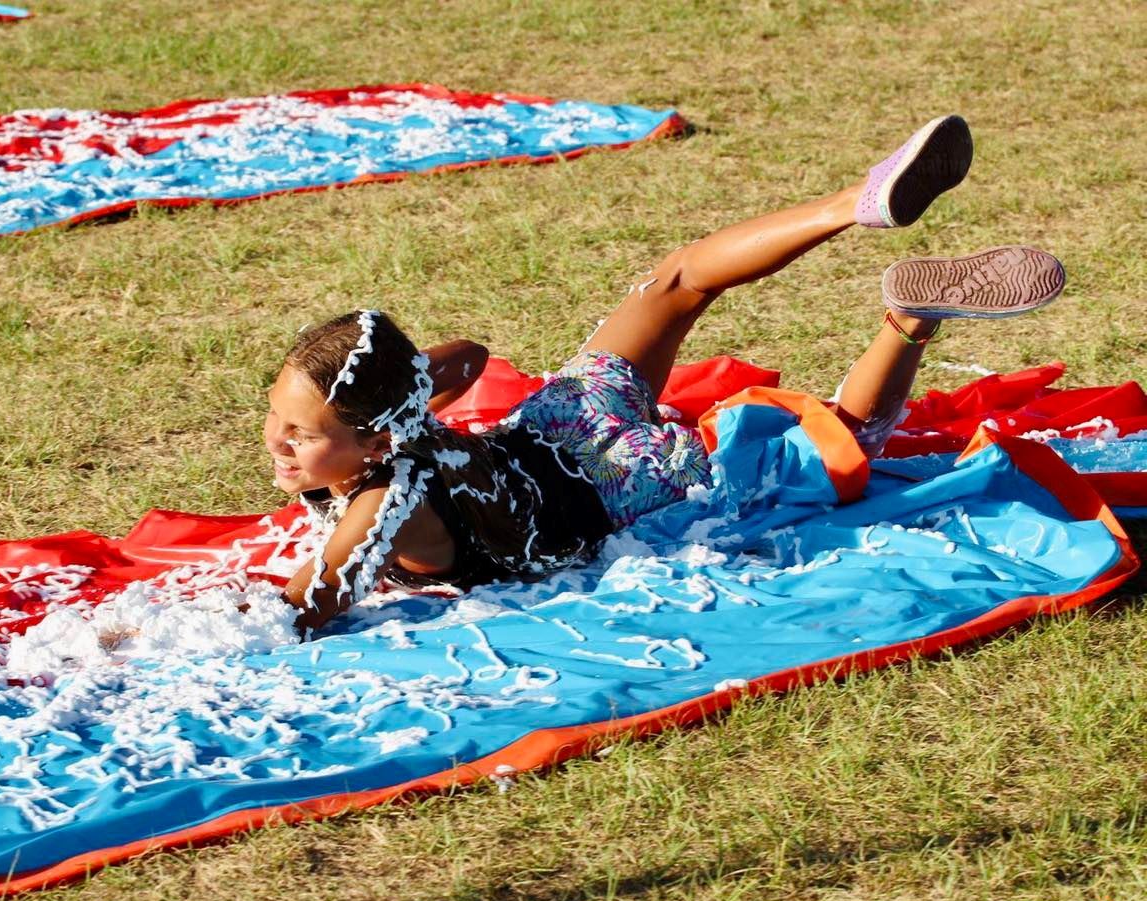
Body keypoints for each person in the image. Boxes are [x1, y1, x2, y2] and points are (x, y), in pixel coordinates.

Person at [261, 116, 1067, 633]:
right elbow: (467, 356)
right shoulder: (395, 425)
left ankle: (909, 320)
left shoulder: (379, 498)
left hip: (624, 487)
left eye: (299, 432)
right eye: (279, 423)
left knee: (838, 447)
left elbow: (312, 601)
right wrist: (405, 388)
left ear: (374, 438)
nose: (281, 447)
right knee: (681, 281)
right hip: (565, 416)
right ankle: (851, 202)